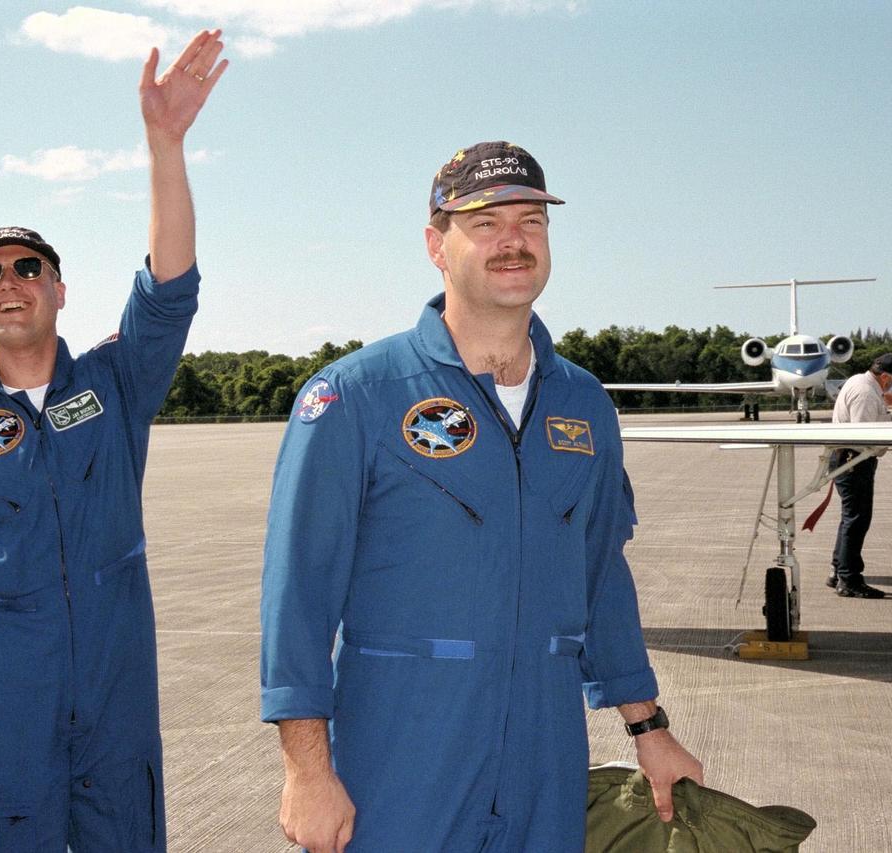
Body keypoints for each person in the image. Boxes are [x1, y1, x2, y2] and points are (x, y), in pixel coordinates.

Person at [260, 141, 703, 852]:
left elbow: (599, 576)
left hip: (545, 752)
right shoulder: (357, 395)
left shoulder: (584, 403)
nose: (513, 241)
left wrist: (648, 727)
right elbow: (299, 595)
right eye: (485, 223)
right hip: (401, 750)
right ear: (437, 245)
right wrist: (306, 770)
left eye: (531, 221)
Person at [0, 30, 226, 852]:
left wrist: (165, 146)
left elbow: (170, 289)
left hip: (117, 692)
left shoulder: (116, 383)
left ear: (60, 288)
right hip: (6, 697)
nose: (9, 282)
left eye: (28, 267)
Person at [827, 352, 892, 599]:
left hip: (850, 459)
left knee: (851, 518)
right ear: (885, 376)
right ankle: (849, 579)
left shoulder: (861, 383)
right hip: (854, 460)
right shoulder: (865, 392)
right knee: (857, 519)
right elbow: (864, 436)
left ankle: (838, 570)